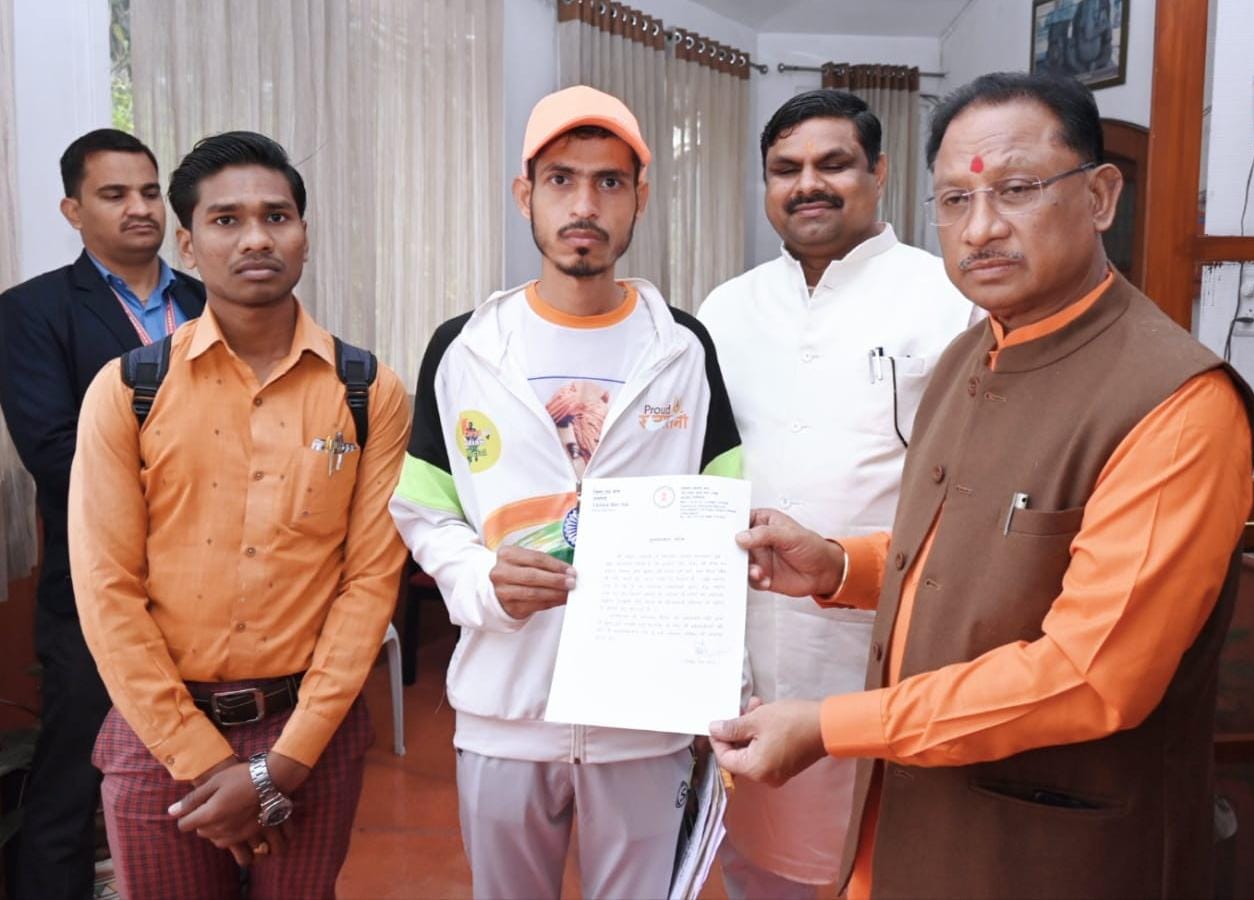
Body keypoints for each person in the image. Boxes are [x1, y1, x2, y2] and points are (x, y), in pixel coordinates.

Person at [709, 71, 1254, 899]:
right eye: (957, 199)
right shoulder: (975, 354)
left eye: (1018, 189)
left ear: (1100, 196)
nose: (982, 227)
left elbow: (1090, 677)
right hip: (916, 813)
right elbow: (967, 549)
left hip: (1051, 841)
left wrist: (832, 724)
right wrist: (840, 565)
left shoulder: (1176, 404)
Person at [390, 85, 741, 899]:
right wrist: (482, 580)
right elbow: (425, 510)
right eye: (561, 180)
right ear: (526, 195)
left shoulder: (684, 347)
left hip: (645, 720)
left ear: (640, 198)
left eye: (609, 182)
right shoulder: (464, 347)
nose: (584, 205)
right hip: (505, 709)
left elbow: (723, 522)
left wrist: (718, 684)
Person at [67, 131, 410, 899]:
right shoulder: (128, 390)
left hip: (310, 730)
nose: (256, 238)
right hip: (158, 729)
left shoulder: (367, 391)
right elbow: (106, 589)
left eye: (276, 216)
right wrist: (207, 762)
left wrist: (281, 765)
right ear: (187, 243)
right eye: (226, 220)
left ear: (304, 235)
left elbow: (368, 584)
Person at [697, 89, 977, 898]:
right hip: (749, 638)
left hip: (889, 642)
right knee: (755, 857)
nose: (807, 184)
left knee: (888, 859)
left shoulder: (949, 296)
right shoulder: (726, 308)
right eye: (785, 169)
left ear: (879, 172)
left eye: (833, 164)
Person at [0, 128, 205, 900]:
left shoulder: (208, 299)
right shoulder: (31, 311)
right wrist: (198, 493)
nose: (139, 207)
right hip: (99, 590)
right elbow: (56, 454)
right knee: (70, 784)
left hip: (218, 593)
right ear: (73, 210)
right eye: (114, 194)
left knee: (203, 776)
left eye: (149, 191)